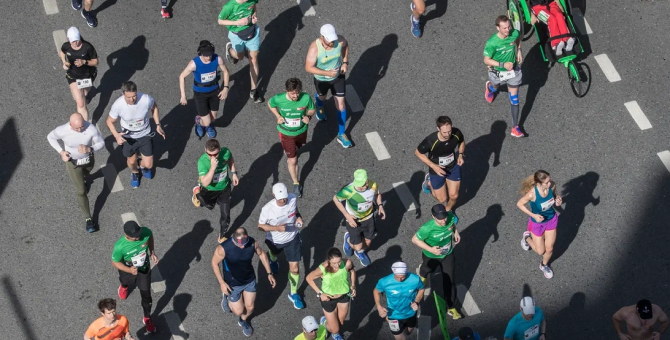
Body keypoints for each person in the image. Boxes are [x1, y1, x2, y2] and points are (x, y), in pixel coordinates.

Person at [211, 227, 276, 337]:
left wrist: (269, 273)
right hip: (232, 283)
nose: (242, 246)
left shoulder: (251, 243)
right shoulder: (223, 248)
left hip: (249, 280)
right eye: (239, 244)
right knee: (238, 311)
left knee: (250, 307)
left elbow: (262, 254)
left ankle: (243, 321)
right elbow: (214, 263)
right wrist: (222, 283)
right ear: (233, 239)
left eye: (244, 243)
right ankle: (226, 297)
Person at [47, 113, 104, 233]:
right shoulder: (62, 130)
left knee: (87, 174)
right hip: (73, 163)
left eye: (82, 126)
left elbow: (101, 143)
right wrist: (61, 152)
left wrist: (90, 149)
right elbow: (50, 137)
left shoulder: (90, 129)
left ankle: (85, 179)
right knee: (81, 191)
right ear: (70, 124)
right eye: (77, 128)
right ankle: (88, 218)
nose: (80, 130)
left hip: (88, 161)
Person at [106, 81, 166, 189]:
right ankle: (135, 172)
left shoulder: (146, 99)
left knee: (149, 165)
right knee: (131, 161)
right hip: (128, 138)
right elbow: (109, 121)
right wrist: (117, 135)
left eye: (134, 96)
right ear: (123, 93)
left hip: (145, 135)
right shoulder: (118, 105)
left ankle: (142, 165)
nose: (132, 99)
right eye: (128, 97)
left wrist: (158, 124)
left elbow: (155, 108)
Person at [258, 183, 306, 309]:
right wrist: (276, 228)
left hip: (292, 238)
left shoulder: (292, 199)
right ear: (274, 196)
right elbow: (260, 226)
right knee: (273, 254)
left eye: (284, 198)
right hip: (275, 240)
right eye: (280, 199)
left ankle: (293, 293)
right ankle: (273, 260)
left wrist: (299, 218)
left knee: (295, 268)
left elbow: (295, 211)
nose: (283, 200)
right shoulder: (267, 209)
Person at [304, 24, 352, 148]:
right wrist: (326, 73)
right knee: (323, 98)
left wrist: (345, 62)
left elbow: (345, 46)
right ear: (322, 37)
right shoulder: (314, 48)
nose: (332, 42)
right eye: (329, 40)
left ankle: (342, 134)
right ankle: (319, 103)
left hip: (338, 77)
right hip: (322, 79)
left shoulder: (339, 40)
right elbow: (308, 67)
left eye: (333, 39)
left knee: (341, 105)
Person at [411, 204, 462, 320]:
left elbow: (452, 224)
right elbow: (414, 239)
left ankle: (451, 307)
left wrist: (456, 232)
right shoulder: (427, 228)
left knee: (450, 280)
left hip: (447, 254)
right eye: (440, 219)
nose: (443, 221)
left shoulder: (449, 217)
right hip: (431, 255)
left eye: (444, 217)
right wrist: (431, 249)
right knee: (426, 269)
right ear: (433, 217)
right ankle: (423, 273)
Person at [268, 78, 316, 197]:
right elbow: (270, 103)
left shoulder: (305, 98)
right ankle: (296, 183)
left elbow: (312, 109)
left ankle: (292, 151)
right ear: (287, 91)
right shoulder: (279, 98)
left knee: (299, 148)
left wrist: (309, 117)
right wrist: (277, 116)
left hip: (301, 131)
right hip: (286, 133)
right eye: (292, 93)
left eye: (297, 92)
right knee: (293, 160)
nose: (295, 96)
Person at [111, 221, 159, 333]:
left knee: (146, 295)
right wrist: (129, 270)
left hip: (143, 269)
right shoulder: (120, 246)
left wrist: (152, 252)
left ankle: (147, 317)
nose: (138, 238)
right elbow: (115, 262)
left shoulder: (145, 232)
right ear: (126, 235)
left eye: (138, 235)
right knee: (125, 280)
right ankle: (124, 286)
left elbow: (150, 236)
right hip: (128, 269)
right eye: (134, 237)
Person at [333, 169, 386, 267]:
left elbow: (377, 194)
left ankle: (360, 252)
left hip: (369, 218)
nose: (366, 185)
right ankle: (348, 240)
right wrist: (347, 215)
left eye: (366, 182)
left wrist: (380, 205)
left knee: (368, 242)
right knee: (357, 247)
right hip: (354, 221)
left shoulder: (372, 185)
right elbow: (336, 199)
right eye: (363, 184)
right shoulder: (348, 190)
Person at [483, 15, 525, 138]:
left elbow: (519, 37)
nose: (508, 30)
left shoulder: (514, 33)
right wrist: (502, 64)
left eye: (509, 26)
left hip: (513, 71)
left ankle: (515, 127)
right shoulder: (492, 42)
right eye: (504, 28)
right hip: (497, 72)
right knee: (496, 87)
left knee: (515, 99)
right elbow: (486, 60)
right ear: (498, 28)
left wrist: (519, 50)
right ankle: (491, 88)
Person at [179, 40, 230, 138]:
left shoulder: (218, 59)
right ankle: (200, 122)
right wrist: (183, 96)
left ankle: (206, 123)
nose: (208, 57)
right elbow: (182, 76)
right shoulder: (194, 64)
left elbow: (226, 72)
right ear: (200, 53)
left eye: (210, 55)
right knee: (207, 122)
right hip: (200, 94)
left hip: (214, 91)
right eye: (206, 55)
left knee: (213, 117)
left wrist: (226, 88)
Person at [516, 170, 563, 279]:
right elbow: (519, 204)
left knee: (549, 248)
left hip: (551, 219)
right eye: (546, 183)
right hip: (538, 223)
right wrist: (534, 215)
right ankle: (527, 237)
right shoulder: (532, 194)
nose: (549, 184)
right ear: (539, 184)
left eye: (549, 181)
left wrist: (558, 200)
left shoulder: (552, 186)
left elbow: (555, 196)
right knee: (540, 251)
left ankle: (544, 265)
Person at [415, 116, 465, 213]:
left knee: (454, 196)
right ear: (438, 129)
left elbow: (461, 141)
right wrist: (434, 166)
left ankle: (447, 211)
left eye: (449, 131)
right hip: (436, 170)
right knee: (442, 199)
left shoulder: (456, 133)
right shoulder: (431, 140)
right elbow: (418, 152)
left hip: (452, 166)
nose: (448, 134)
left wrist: (460, 155)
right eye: (445, 132)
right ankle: (429, 183)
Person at [192, 139, 239, 242]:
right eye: (210, 154)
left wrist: (234, 173)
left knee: (226, 215)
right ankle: (196, 191)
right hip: (209, 189)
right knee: (205, 204)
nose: (213, 157)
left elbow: (230, 158)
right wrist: (213, 168)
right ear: (205, 151)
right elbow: (205, 183)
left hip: (224, 188)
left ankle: (221, 236)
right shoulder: (202, 161)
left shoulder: (225, 152)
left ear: (220, 150)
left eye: (216, 154)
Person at [217, 0, 262, 103]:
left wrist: (254, 16)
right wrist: (237, 23)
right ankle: (230, 50)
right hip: (237, 35)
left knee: (253, 60)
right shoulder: (229, 6)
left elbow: (253, 7)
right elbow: (220, 21)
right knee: (240, 56)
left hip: (252, 32)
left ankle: (253, 91)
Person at [306, 248, 356, 340]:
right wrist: (320, 293)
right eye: (334, 263)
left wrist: (353, 286)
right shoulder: (323, 268)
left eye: (339, 262)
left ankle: (335, 334)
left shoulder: (347, 263)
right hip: (328, 300)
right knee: (335, 329)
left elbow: (352, 271)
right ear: (329, 261)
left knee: (340, 322)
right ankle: (325, 322)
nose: (337, 265)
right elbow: (309, 278)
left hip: (343, 296)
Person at [373, 262, 425, 340]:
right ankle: (391, 321)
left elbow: (421, 289)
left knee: (408, 332)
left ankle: (402, 328)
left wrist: (416, 301)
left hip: (410, 313)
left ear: (406, 272)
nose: (400, 280)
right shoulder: (384, 281)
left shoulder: (415, 279)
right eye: (397, 277)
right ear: (393, 272)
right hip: (393, 314)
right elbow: (376, 291)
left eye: (403, 277)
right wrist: (379, 306)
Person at [59, 27, 98, 121]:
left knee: (85, 92)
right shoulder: (66, 46)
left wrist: (84, 62)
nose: (75, 43)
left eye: (77, 40)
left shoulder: (87, 47)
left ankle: (85, 94)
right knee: (80, 103)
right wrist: (64, 62)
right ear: (68, 39)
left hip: (87, 75)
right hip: (73, 75)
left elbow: (96, 62)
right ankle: (84, 127)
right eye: (73, 41)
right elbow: (62, 52)